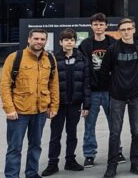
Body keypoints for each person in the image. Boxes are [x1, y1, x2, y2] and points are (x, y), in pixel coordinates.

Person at [0, 28, 59, 178]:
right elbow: (4, 85)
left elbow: (54, 85)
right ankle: (12, 175)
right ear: (29, 39)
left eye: (42, 39)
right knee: (15, 148)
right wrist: (9, 109)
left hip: (40, 112)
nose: (39, 42)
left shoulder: (50, 59)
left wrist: (54, 106)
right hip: (19, 112)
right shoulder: (15, 57)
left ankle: (32, 173)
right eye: (36, 39)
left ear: (46, 41)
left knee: (36, 146)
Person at [99, 18, 138, 178]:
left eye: (129, 29)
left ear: (134, 30)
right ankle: (112, 166)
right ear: (119, 31)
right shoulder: (112, 49)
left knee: (136, 131)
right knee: (115, 132)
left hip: (136, 96)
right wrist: (113, 87)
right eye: (123, 29)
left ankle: (135, 163)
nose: (126, 32)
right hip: (117, 97)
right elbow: (103, 72)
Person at [42, 28, 91, 176]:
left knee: (72, 134)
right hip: (58, 105)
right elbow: (47, 83)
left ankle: (70, 160)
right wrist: (49, 104)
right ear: (60, 42)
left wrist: (86, 104)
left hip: (75, 104)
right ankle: (52, 163)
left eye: (72, 40)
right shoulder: (53, 59)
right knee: (55, 135)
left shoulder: (82, 58)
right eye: (66, 40)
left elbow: (86, 83)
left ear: (75, 42)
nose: (69, 42)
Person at [79, 13, 120, 168]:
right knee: (89, 125)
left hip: (111, 91)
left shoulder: (113, 43)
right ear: (91, 26)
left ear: (106, 26)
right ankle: (89, 154)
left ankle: (117, 151)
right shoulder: (85, 44)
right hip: (93, 91)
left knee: (114, 124)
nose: (98, 27)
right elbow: (82, 68)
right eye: (95, 24)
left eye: (101, 24)